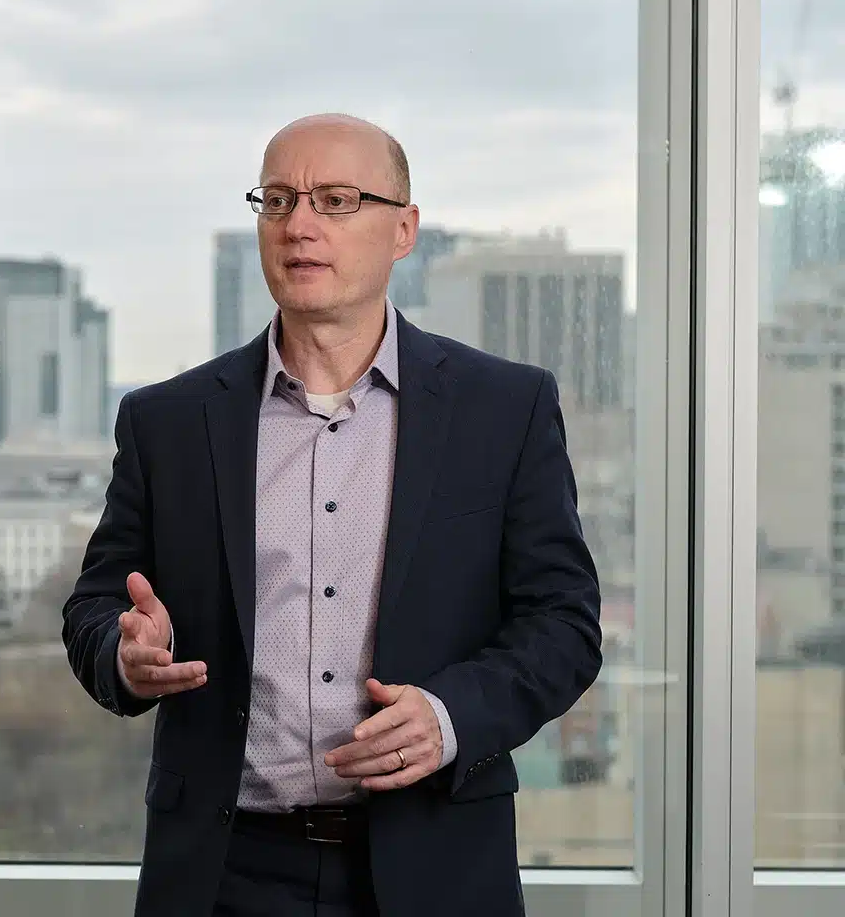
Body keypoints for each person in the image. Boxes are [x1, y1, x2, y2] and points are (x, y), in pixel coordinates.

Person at [61, 113, 603, 917]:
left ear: (404, 231)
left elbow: (563, 624)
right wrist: (124, 655)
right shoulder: (168, 421)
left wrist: (453, 716)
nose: (299, 224)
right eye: (277, 200)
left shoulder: (505, 408)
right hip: (223, 874)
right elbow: (95, 611)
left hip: (435, 866)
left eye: (337, 200)